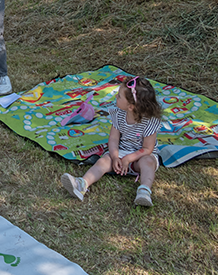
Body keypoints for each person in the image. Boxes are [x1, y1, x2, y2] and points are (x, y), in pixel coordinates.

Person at [60, 76, 163, 207]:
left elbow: (147, 149)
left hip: (140, 157)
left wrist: (129, 159)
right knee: (103, 161)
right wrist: (115, 157)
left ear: (131, 106)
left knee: (148, 163)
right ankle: (82, 184)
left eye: (119, 96)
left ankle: (144, 191)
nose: (116, 98)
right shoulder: (118, 114)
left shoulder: (150, 122)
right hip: (120, 154)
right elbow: (113, 139)